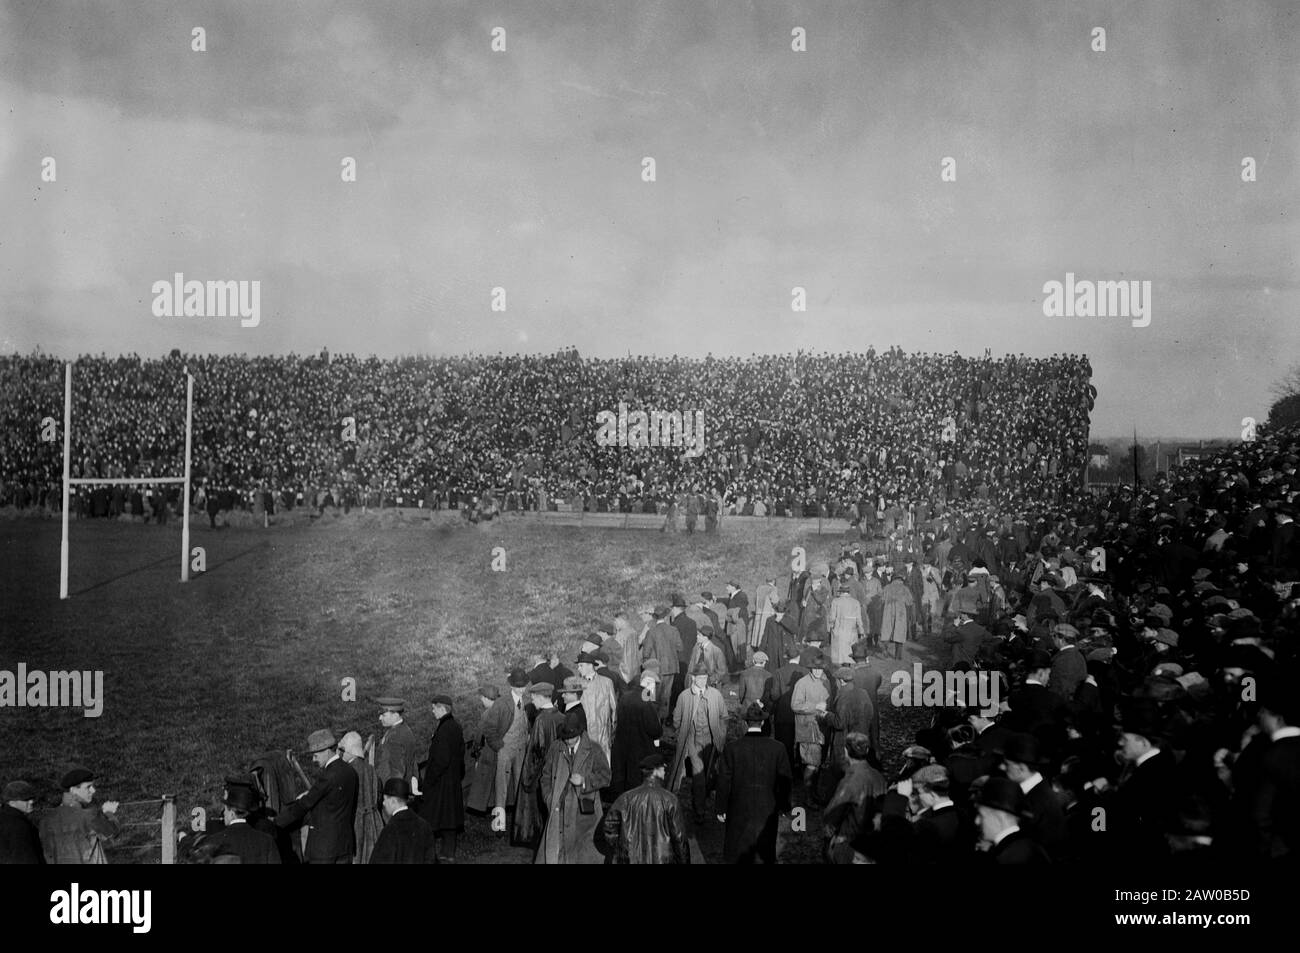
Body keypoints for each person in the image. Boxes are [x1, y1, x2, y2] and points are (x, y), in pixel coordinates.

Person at [715, 703, 792, 864]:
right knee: (765, 846)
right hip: (768, 807)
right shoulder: (778, 748)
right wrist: (784, 805)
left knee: (738, 847)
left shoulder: (732, 748)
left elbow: (723, 780)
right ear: (763, 723)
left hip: (738, 806)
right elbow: (784, 780)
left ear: (745, 723)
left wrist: (721, 807)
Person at [275, 729, 359, 864]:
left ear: (326, 751)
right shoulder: (350, 771)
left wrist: (276, 823)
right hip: (345, 846)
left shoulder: (328, 776)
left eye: (315, 755)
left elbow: (305, 804)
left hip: (324, 849)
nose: (313, 760)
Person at [537, 722, 611, 864]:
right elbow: (545, 775)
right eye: (566, 738)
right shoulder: (556, 747)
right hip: (559, 808)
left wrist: (584, 781)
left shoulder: (594, 749)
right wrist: (548, 797)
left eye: (572, 737)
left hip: (584, 813)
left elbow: (606, 777)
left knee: (582, 853)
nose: (568, 741)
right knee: (556, 851)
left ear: (579, 734)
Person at [601, 753, 691, 864]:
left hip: (631, 859)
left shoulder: (625, 799)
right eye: (663, 768)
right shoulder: (670, 800)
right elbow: (679, 839)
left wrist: (622, 849)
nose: (665, 772)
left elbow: (609, 829)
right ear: (656, 771)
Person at [668, 665, 728, 821]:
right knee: (699, 774)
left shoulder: (715, 695)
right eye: (700, 678)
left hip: (711, 741)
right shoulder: (684, 696)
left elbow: (724, 717)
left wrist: (720, 736)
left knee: (710, 772)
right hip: (693, 741)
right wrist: (682, 736)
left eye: (705, 678)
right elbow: (677, 720)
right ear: (693, 678)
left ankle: (704, 795)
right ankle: (699, 810)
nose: (703, 680)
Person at [513, 682, 565, 848]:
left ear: (542, 697)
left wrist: (527, 779)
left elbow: (536, 752)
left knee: (539, 812)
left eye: (534, 697)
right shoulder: (561, 716)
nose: (532, 700)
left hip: (540, 775)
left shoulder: (541, 720)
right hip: (557, 771)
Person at [822, 733, 886, 863]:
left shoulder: (850, 780)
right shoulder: (878, 776)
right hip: (872, 841)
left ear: (846, 751)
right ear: (867, 750)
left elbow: (833, 814)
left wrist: (829, 840)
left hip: (849, 843)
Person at [39, 767, 120, 864]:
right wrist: (108, 812)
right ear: (73, 790)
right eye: (88, 787)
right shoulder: (89, 815)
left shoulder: (46, 821)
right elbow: (113, 832)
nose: (93, 790)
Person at [419, 695, 465, 863]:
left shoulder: (444, 729)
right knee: (450, 817)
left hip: (441, 780)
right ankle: (448, 852)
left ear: (441, 708)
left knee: (430, 817)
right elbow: (460, 753)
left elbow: (441, 759)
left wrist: (429, 780)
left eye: (434, 708)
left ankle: (428, 854)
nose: (432, 711)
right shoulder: (455, 726)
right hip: (452, 779)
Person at [483, 670, 531, 824]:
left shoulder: (528, 700)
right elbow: (489, 729)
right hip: (505, 749)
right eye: (518, 686)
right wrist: (499, 747)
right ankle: (499, 823)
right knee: (501, 787)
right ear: (511, 685)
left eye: (523, 686)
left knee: (520, 784)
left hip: (521, 748)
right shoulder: (501, 703)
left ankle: (520, 823)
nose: (521, 689)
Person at [609, 669, 664, 797]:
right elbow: (654, 730)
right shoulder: (647, 700)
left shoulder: (625, 696)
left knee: (624, 779)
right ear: (648, 683)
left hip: (622, 746)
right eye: (654, 684)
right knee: (637, 782)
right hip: (641, 748)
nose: (654, 688)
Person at [975, 777, 1050, 864]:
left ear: (1000, 817)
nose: (977, 821)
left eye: (981, 815)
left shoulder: (1007, 858)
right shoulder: (1029, 845)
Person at [204, 786, 280, 864]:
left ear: (232, 813)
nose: (224, 813)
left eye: (226, 809)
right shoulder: (267, 841)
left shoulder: (213, 842)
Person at [370, 779, 437, 864]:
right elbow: (430, 859)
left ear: (392, 801)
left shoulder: (390, 829)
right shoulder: (424, 825)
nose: (383, 803)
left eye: (385, 799)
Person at [340, 731, 383, 864]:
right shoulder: (370, 769)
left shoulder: (347, 771)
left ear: (351, 751)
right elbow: (379, 793)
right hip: (374, 820)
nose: (340, 753)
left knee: (357, 857)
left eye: (342, 750)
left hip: (356, 822)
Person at [791, 653, 831, 795]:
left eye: (820, 669)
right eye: (815, 668)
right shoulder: (802, 683)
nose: (818, 671)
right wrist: (815, 706)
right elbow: (795, 705)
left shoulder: (825, 681)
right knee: (811, 764)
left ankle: (813, 792)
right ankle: (807, 796)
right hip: (808, 730)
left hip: (822, 729)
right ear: (810, 668)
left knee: (818, 763)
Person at [576, 652, 617, 763]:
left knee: (603, 764)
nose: (579, 669)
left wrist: (612, 733)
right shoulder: (577, 684)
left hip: (602, 734)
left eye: (581, 665)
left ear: (590, 665)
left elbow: (614, 709)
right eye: (578, 666)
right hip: (584, 733)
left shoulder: (607, 682)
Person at [374, 696, 421, 790]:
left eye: (383, 715)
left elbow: (397, 772)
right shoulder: (401, 729)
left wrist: (392, 796)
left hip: (391, 791)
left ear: (395, 715)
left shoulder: (396, 737)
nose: (380, 718)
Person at [0, 780, 43, 864]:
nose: (31, 802)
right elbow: (24, 857)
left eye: (32, 798)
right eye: (26, 799)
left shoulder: (7, 819)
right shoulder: (17, 825)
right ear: (12, 802)